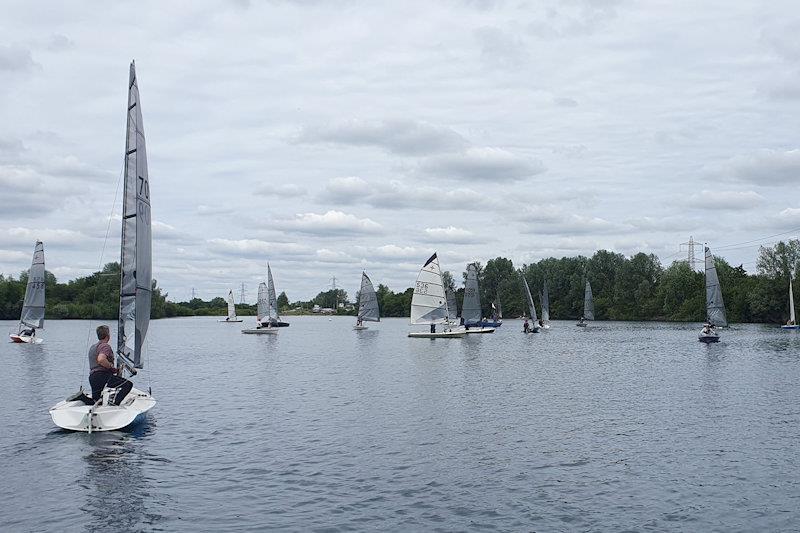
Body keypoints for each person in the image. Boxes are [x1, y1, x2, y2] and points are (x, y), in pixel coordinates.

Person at [88, 325, 133, 405]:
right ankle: (115, 404)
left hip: (93, 378)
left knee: (96, 401)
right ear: (107, 335)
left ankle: (82, 398)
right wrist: (113, 368)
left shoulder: (93, 347)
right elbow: (101, 359)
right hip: (102, 376)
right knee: (128, 385)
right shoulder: (105, 346)